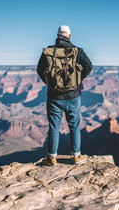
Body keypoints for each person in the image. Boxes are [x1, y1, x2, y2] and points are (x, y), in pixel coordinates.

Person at [37, 25, 93, 166]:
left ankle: (51, 158)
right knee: (74, 126)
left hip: (54, 96)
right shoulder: (77, 51)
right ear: (69, 36)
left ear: (57, 35)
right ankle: (76, 156)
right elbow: (89, 66)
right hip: (73, 95)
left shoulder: (48, 51)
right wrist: (77, 80)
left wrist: (49, 82)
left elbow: (39, 70)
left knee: (54, 127)